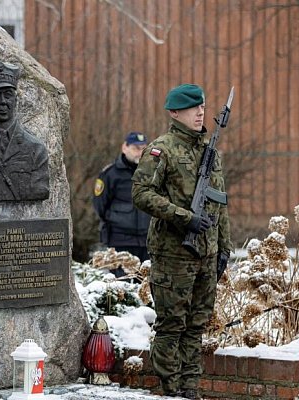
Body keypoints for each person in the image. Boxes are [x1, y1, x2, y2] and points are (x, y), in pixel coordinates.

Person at [131, 84, 232, 399]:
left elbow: (219, 204)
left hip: (206, 253)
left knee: (196, 327)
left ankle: (190, 390)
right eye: (192, 107)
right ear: (174, 112)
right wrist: (183, 217)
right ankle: (171, 390)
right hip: (174, 253)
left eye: (202, 106)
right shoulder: (162, 149)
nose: (200, 111)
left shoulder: (208, 152)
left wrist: (224, 248)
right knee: (172, 326)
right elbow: (141, 193)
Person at [0, 60, 50, 202]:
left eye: (8, 95)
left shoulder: (35, 148)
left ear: (16, 100)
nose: (3, 102)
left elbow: (41, 191)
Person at [92, 131, 152, 277]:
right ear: (124, 147)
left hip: (147, 241)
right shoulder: (110, 174)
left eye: (143, 148)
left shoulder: (152, 172)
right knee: (122, 285)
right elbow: (100, 205)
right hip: (121, 241)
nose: (140, 152)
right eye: (136, 148)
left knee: (146, 287)